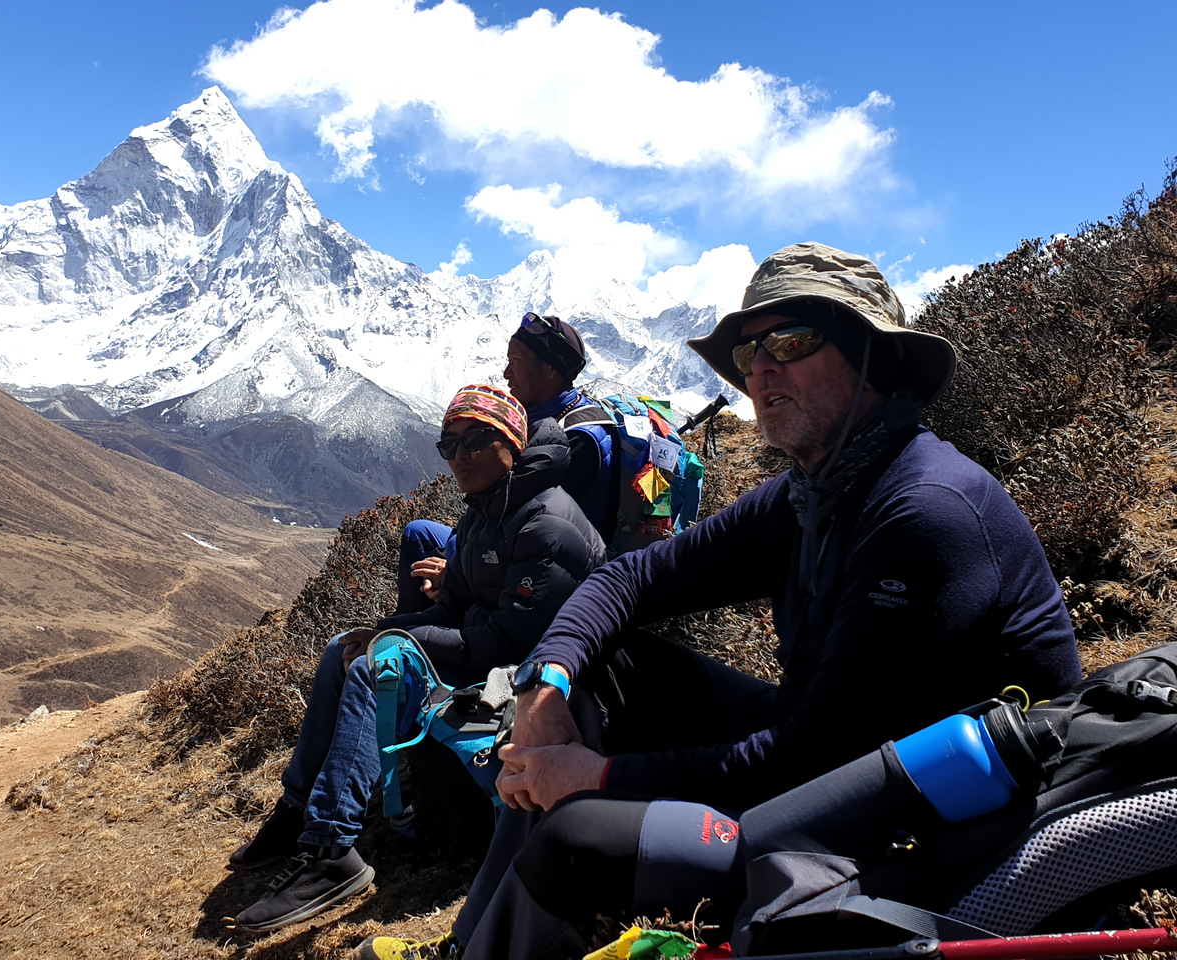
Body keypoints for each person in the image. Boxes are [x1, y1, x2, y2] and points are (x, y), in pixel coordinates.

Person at [356, 242, 1083, 960]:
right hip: (840, 766)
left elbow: (813, 759)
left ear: (873, 355)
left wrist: (596, 777)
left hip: (934, 825)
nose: (761, 371)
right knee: (607, 668)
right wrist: (547, 682)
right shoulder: (811, 493)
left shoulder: (925, 512)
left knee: (580, 841)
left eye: (791, 342)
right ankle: (471, 942)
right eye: (748, 355)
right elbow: (625, 579)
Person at [230, 384, 606, 934]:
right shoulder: (485, 509)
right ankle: (298, 807)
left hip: (535, 675)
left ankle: (333, 849)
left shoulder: (543, 522)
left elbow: (513, 640)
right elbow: (455, 607)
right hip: (492, 651)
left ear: (512, 441)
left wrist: (402, 642)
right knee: (347, 647)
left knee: (375, 666)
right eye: (447, 446)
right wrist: (383, 627)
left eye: (475, 440)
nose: (460, 457)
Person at [395, 313, 613, 614]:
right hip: (515, 544)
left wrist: (456, 569)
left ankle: (411, 639)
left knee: (421, 545)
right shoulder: (566, 417)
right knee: (419, 532)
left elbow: (531, 528)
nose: (507, 373)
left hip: (548, 570)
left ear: (550, 369)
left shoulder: (573, 443)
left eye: (516, 361)